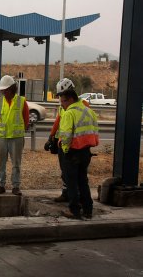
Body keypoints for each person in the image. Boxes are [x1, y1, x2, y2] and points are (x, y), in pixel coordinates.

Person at [57, 78, 99, 219]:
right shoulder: (89, 111)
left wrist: (64, 149)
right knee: (83, 181)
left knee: (72, 183)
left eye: (63, 101)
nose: (61, 104)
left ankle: (74, 210)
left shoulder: (69, 113)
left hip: (72, 152)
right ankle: (88, 210)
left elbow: (66, 136)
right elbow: (95, 133)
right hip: (86, 152)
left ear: (70, 100)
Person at [46, 78, 90, 203]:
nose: (61, 100)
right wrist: (51, 137)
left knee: (77, 175)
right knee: (65, 171)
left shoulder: (83, 105)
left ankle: (76, 200)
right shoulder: (63, 105)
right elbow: (58, 121)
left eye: (62, 96)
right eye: (60, 96)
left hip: (77, 146)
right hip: (64, 143)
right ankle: (67, 194)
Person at [0, 75, 29, 195]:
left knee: (16, 164)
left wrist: (18, 131)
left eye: (6, 90)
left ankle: (15, 186)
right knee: (0, 163)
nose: (4, 92)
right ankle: (0, 185)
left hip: (16, 138)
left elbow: (26, 119)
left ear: (12, 89)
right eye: (2, 90)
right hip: (1, 138)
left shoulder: (22, 101)